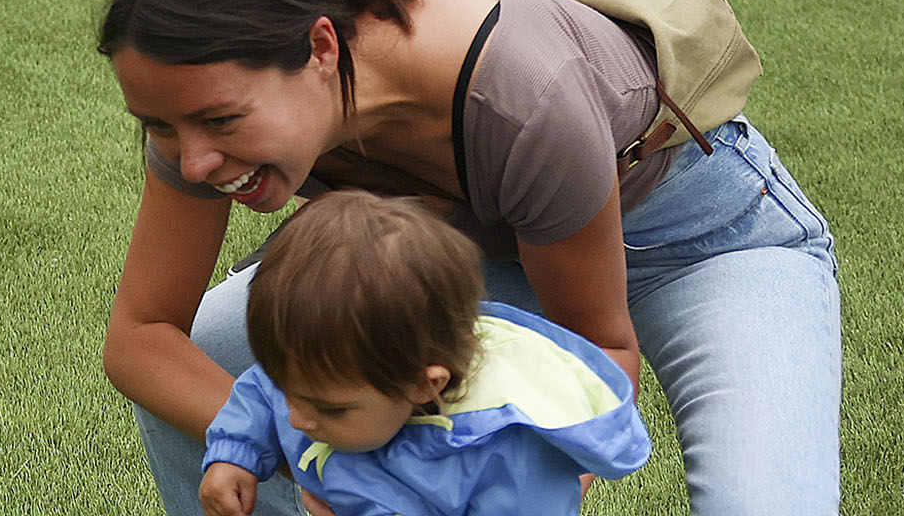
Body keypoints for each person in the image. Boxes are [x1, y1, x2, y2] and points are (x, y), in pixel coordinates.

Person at [101, 0, 843, 516]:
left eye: (221, 122)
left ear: (321, 48)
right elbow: (145, 335)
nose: (190, 160)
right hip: (475, 261)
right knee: (209, 353)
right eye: (160, 125)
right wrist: (303, 452)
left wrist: (452, 492)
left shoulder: (520, 96)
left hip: (700, 244)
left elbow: (597, 360)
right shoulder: (198, 94)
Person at [197, 192, 648, 516]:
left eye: (327, 408)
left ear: (424, 383)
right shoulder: (320, 383)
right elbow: (259, 390)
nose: (295, 418)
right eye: (288, 389)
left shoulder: (503, 457)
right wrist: (233, 453)